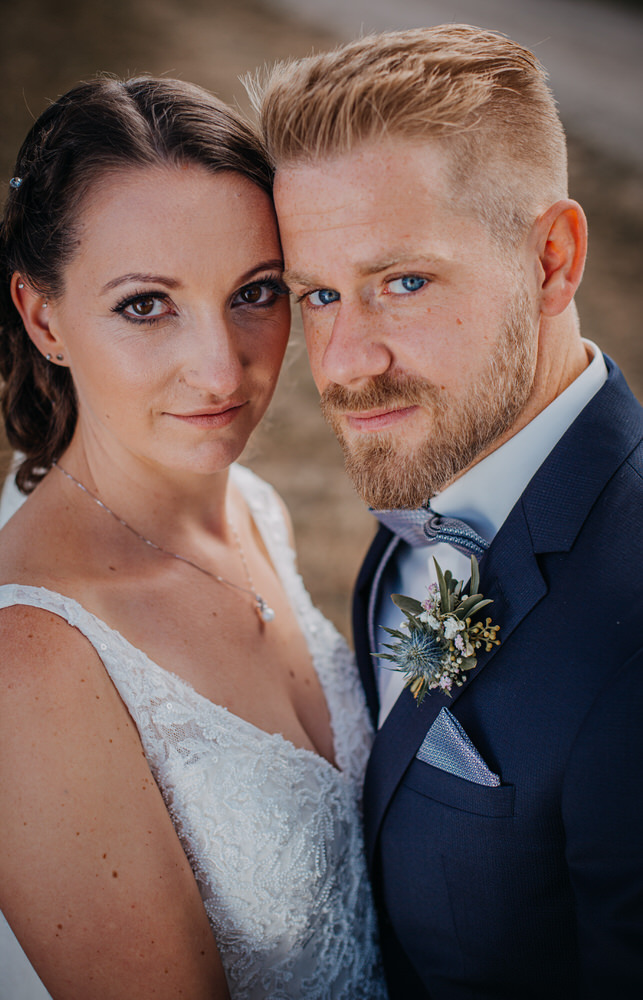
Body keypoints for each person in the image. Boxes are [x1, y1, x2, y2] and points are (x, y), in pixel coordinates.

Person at [252, 24, 643, 1000]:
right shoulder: (429, 509)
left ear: (552, 259)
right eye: (319, 294)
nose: (343, 363)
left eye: (404, 283)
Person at [0, 76, 387, 1000]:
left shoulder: (253, 507)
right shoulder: (25, 660)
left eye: (255, 292)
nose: (220, 368)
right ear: (44, 318)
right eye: (145, 305)